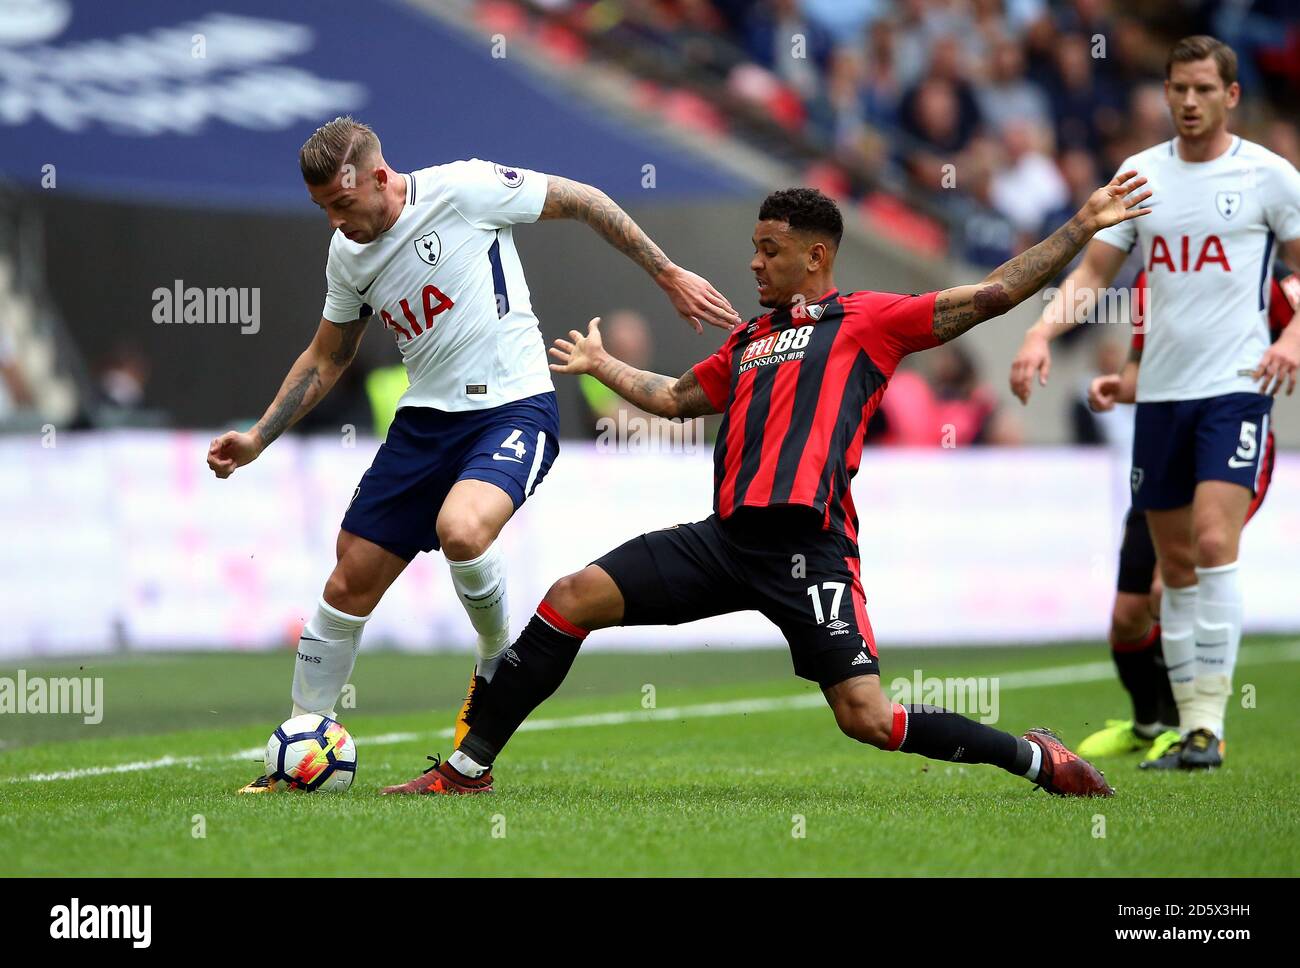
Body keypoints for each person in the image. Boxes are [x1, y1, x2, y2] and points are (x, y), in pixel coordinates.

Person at [380, 172, 1154, 797]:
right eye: (753, 248)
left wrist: (1080, 228)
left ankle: (1033, 757)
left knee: (868, 719)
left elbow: (989, 297)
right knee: (571, 596)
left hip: (811, 553)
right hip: (724, 541)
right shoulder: (750, 338)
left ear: (815, 256)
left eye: (768, 250)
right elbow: (679, 397)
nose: (753, 263)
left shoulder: (868, 321)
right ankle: (464, 770)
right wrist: (604, 365)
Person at [205, 116, 740, 793]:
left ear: (378, 176)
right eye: (323, 210)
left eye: (341, 204)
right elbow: (328, 355)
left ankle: (494, 658)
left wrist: (664, 271)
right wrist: (258, 437)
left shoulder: (463, 189)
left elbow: (583, 199)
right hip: (426, 423)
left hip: (514, 407)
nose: (336, 222)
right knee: (348, 580)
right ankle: (302, 741)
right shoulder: (347, 255)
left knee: (462, 529)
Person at [1009, 36, 1300, 768]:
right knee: (1172, 565)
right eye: (1179, 89)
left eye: (1205, 89)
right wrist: (1043, 329)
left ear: (1231, 96)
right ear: (1166, 93)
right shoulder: (1139, 177)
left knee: (1209, 541)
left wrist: (1294, 337)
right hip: (1161, 397)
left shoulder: (1269, 177)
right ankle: (1181, 729)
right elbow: (1095, 274)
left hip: (1236, 386)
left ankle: (1207, 726)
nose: (1191, 102)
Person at [1076, 266, 1292, 763]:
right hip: (1164, 450)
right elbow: (1143, 360)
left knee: (1169, 586)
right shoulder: (1150, 277)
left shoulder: (1256, 263)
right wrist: (1118, 386)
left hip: (1224, 447)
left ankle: (1195, 728)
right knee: (1127, 618)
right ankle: (1147, 726)